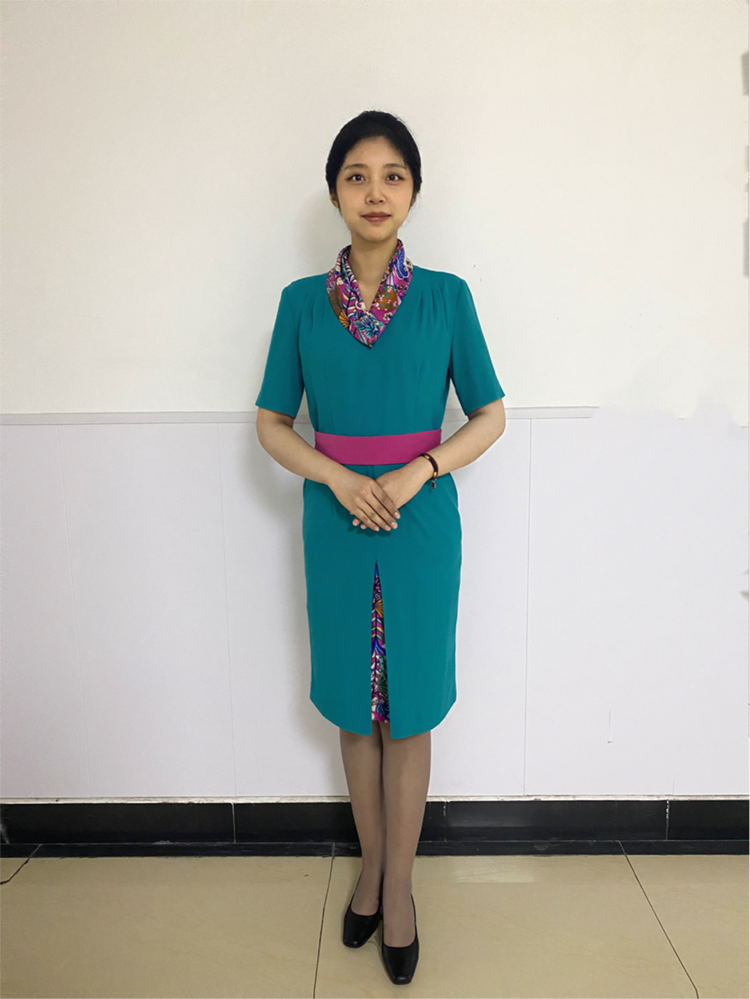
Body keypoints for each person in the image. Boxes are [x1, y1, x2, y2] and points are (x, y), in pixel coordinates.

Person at [255, 110, 505, 985]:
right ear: (334, 192)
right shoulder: (300, 303)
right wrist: (335, 476)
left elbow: (490, 415)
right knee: (355, 708)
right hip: (334, 526)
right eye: (356, 175)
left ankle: (398, 890)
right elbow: (271, 423)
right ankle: (368, 869)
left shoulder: (447, 297)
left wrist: (417, 470)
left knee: (411, 707)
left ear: (414, 192)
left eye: (393, 174)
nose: (375, 191)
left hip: (420, 524)